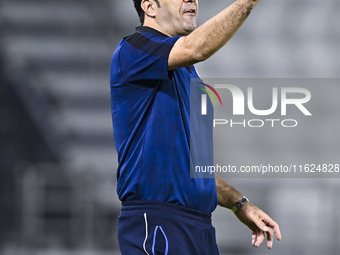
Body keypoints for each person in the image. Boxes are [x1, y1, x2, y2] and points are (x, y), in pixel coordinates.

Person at [110, 0, 281, 254]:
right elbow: (197, 48)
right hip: (157, 222)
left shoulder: (189, 74)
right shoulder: (133, 51)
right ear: (150, 7)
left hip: (199, 227)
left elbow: (194, 169)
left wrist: (239, 203)